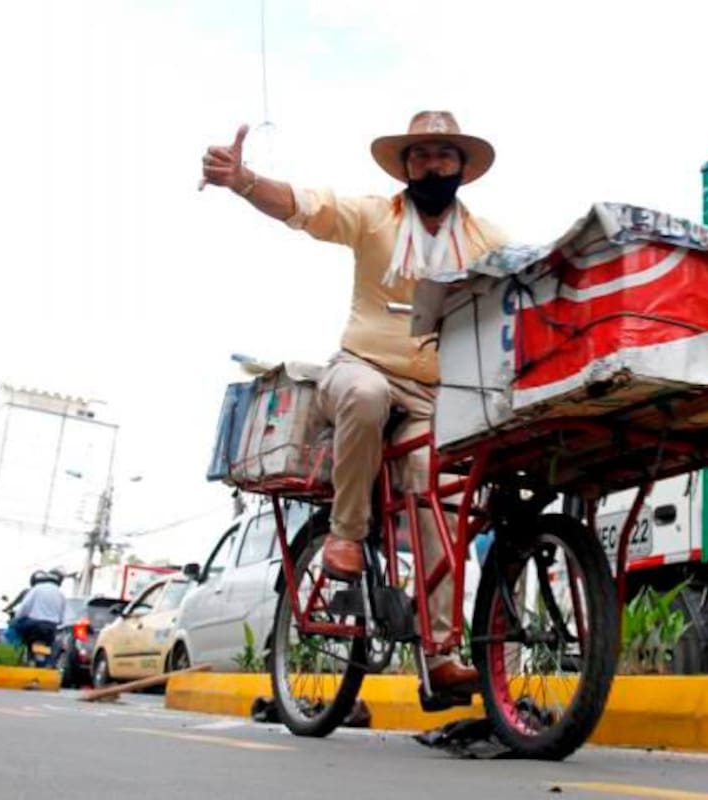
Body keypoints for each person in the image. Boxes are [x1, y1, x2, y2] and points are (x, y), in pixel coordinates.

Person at [200, 111, 507, 692]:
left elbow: (524, 286)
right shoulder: (374, 216)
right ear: (406, 166)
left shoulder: (487, 241)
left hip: (433, 395)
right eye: (420, 154)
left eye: (444, 154)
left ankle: (439, 657)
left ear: (462, 168)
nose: (432, 164)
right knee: (365, 395)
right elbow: (304, 206)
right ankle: (344, 535)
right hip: (360, 368)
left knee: (436, 506)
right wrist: (243, 180)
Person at [11, 571, 66, 660]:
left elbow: (24, 607)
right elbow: (62, 618)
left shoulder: (37, 589)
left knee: (13, 627)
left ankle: (13, 654)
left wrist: (17, 617)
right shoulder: (61, 594)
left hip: (34, 625)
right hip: (51, 628)